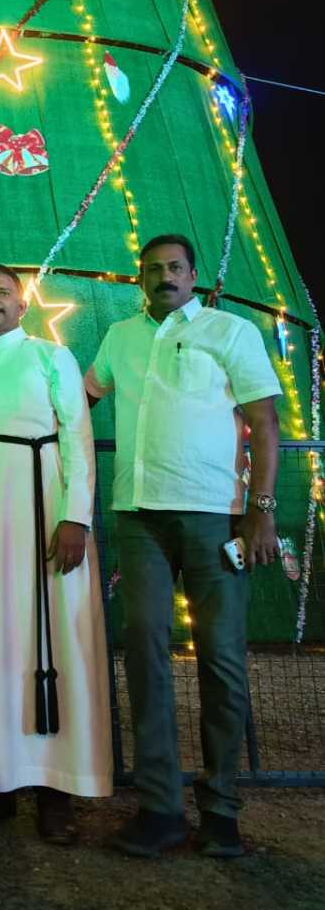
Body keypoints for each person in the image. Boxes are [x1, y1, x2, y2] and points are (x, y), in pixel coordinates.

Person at [85, 234, 282, 858]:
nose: (164, 276)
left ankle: (221, 810)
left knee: (221, 660)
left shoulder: (230, 332)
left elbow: (264, 423)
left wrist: (262, 512)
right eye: (152, 269)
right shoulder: (119, 336)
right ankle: (160, 809)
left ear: (194, 275)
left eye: (174, 267)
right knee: (144, 653)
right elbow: (81, 397)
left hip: (215, 517)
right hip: (139, 516)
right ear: (139, 277)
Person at [0, 265, 112, 839]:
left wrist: (75, 516)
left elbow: (77, 438)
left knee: (47, 638)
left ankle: (56, 789)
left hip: (40, 512)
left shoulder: (50, 357)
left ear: (23, 303)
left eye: (3, 292)